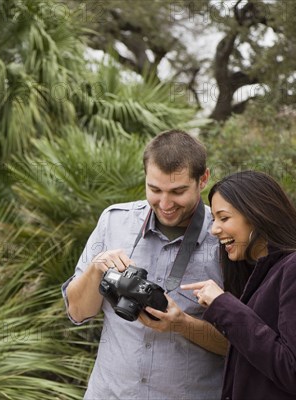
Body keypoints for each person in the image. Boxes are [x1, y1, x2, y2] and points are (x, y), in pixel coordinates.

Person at [62, 130, 227, 399]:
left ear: (203, 179)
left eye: (178, 191)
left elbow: (242, 345)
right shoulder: (113, 221)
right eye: (155, 189)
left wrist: (182, 324)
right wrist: (96, 269)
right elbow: (78, 313)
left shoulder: (225, 238)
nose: (165, 203)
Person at [182, 171, 296, 400]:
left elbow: (294, 371)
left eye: (224, 218)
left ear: (256, 214)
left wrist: (224, 306)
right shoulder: (261, 273)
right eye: (214, 219)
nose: (214, 229)